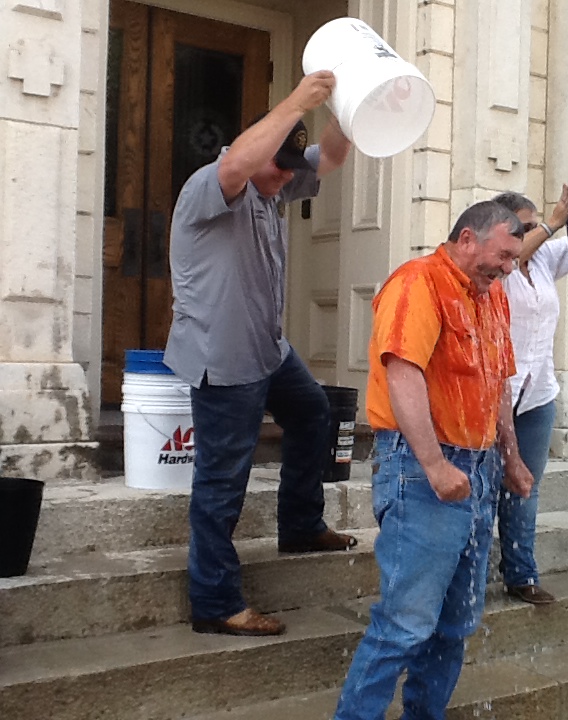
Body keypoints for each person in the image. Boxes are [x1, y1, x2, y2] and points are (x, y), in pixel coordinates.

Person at [163, 71, 355, 637]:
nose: (285, 178)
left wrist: (351, 106)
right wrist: (297, 99)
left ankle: (300, 525)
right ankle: (215, 601)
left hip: (268, 349)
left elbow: (331, 156)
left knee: (313, 413)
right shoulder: (213, 185)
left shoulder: (275, 185)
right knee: (222, 481)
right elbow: (238, 166)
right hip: (222, 357)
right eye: (278, 166)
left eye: (290, 170)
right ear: (256, 149)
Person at [332, 201, 535, 719]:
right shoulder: (416, 283)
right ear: (467, 238)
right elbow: (403, 375)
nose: (508, 268)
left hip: (478, 468)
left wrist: (511, 457)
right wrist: (435, 466)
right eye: (503, 256)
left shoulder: (493, 296)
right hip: (420, 468)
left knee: (455, 624)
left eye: (513, 259)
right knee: (404, 624)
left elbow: (498, 383)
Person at [490, 186, 568, 605]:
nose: (534, 234)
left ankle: (521, 573)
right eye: (523, 228)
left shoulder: (543, 260)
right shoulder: (497, 266)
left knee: (527, 485)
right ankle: (467, 575)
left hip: (538, 392)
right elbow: (513, 256)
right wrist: (552, 224)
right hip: (496, 393)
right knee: (485, 484)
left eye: (535, 225)